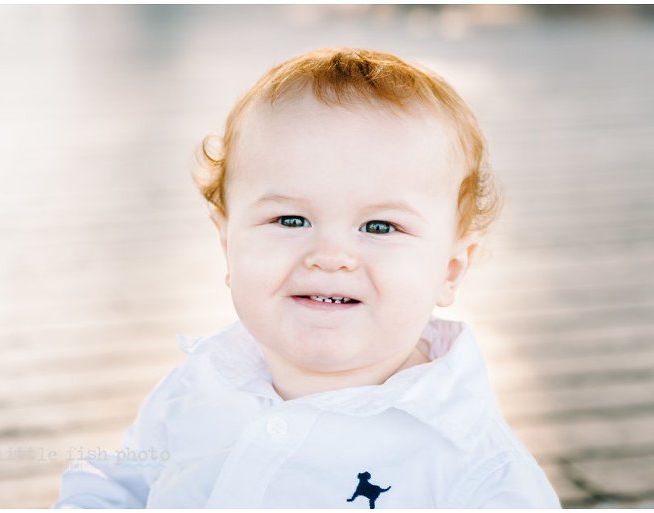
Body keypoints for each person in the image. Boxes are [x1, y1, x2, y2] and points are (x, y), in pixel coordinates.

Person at [54, 47, 560, 508]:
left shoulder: (475, 469)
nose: (331, 255)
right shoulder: (202, 381)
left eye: (380, 226)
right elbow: (122, 484)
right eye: (291, 221)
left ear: (449, 270)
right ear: (227, 243)